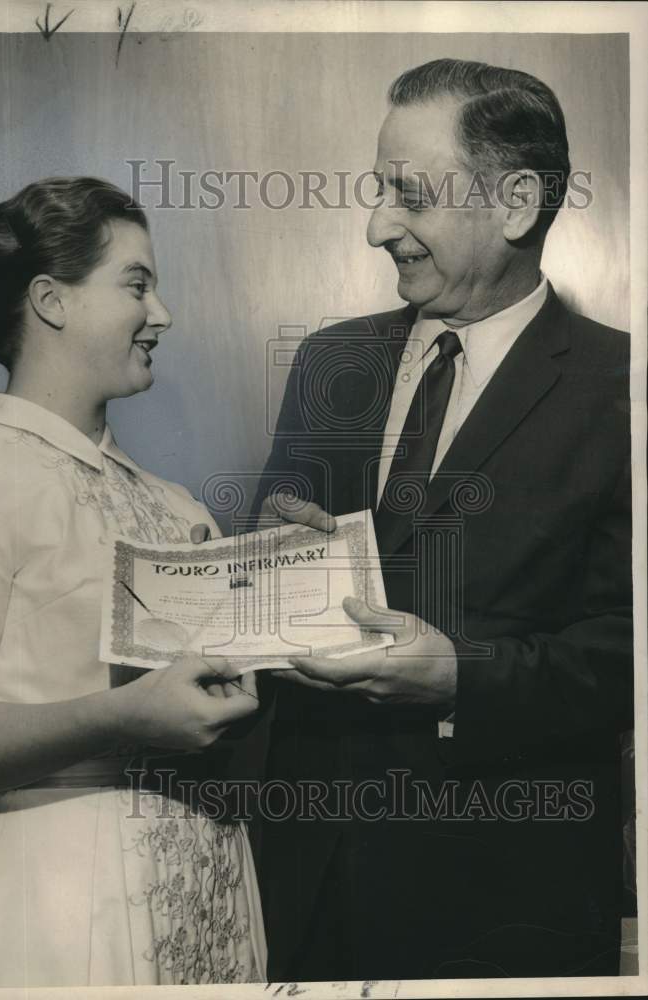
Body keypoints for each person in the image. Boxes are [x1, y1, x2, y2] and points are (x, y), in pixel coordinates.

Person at [254, 58, 632, 980]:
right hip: (301, 879)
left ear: (513, 203)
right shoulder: (329, 363)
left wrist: (463, 677)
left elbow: (630, 647)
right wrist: (260, 560)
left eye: (407, 195)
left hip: (505, 903)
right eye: (379, 190)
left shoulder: (620, 389)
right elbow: (272, 565)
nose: (377, 225)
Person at [0, 177, 266, 988]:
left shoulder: (174, 504)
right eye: (136, 283)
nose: (162, 313)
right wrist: (120, 714)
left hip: (200, 901)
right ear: (50, 300)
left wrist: (303, 574)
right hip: (46, 907)